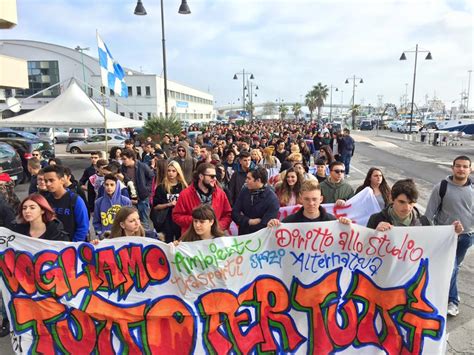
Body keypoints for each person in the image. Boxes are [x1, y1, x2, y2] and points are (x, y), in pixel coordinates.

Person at [425, 155, 472, 317]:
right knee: (451, 268)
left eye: (465, 166)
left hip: (467, 236)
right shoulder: (442, 187)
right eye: (458, 166)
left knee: (455, 267)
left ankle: (450, 293)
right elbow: (429, 212)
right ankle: (453, 301)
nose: (461, 169)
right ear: (452, 168)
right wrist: (426, 234)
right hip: (446, 236)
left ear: (470, 169)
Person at [172, 163, 232, 235]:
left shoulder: (220, 193)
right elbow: (176, 216)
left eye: (215, 176)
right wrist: (197, 221)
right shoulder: (185, 194)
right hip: (192, 237)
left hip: (214, 237)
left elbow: (227, 215)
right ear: (201, 176)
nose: (215, 179)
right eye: (211, 176)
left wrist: (217, 226)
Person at [268, 180, 351, 225]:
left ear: (321, 199)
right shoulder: (289, 222)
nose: (311, 203)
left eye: (314, 199)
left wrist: (346, 227)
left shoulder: (332, 221)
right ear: (301, 199)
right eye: (307, 199)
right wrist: (272, 227)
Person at [43, 165, 89, 242]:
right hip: (51, 247)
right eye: (46, 181)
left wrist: (72, 247)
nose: (48, 184)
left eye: (51, 180)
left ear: (62, 180)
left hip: (70, 247)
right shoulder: (45, 200)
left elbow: (83, 227)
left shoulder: (75, 200)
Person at [366, 179, 432, 230]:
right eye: (401, 202)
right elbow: (365, 245)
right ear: (391, 198)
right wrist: (375, 234)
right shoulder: (375, 220)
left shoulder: (425, 223)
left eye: (410, 203)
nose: (407, 208)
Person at [232, 167, 280, 235]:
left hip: (261, 239)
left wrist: (244, 222)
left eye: (249, 178)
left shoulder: (272, 199)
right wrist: (248, 221)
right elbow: (234, 213)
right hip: (243, 237)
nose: (246, 180)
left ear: (258, 180)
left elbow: (265, 224)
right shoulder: (244, 191)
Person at [152, 161, 188, 242]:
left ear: (178, 172)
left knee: (181, 242)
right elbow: (156, 206)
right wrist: (169, 204)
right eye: (169, 170)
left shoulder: (183, 186)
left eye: (173, 171)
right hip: (166, 220)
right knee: (168, 243)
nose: (170, 173)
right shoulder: (161, 187)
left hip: (180, 219)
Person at [120, 149, 155, 230]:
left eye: (125, 159)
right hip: (130, 198)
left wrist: (147, 189)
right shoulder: (122, 168)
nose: (123, 161)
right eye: (122, 159)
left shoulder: (142, 166)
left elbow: (152, 176)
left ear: (131, 158)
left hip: (142, 196)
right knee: (131, 221)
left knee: (144, 221)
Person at [93, 174, 132, 239]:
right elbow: (96, 221)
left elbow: (130, 220)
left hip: (123, 237)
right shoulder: (98, 202)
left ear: (117, 186)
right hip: (105, 238)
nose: (109, 187)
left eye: (112, 185)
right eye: (107, 184)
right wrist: (100, 234)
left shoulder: (125, 201)